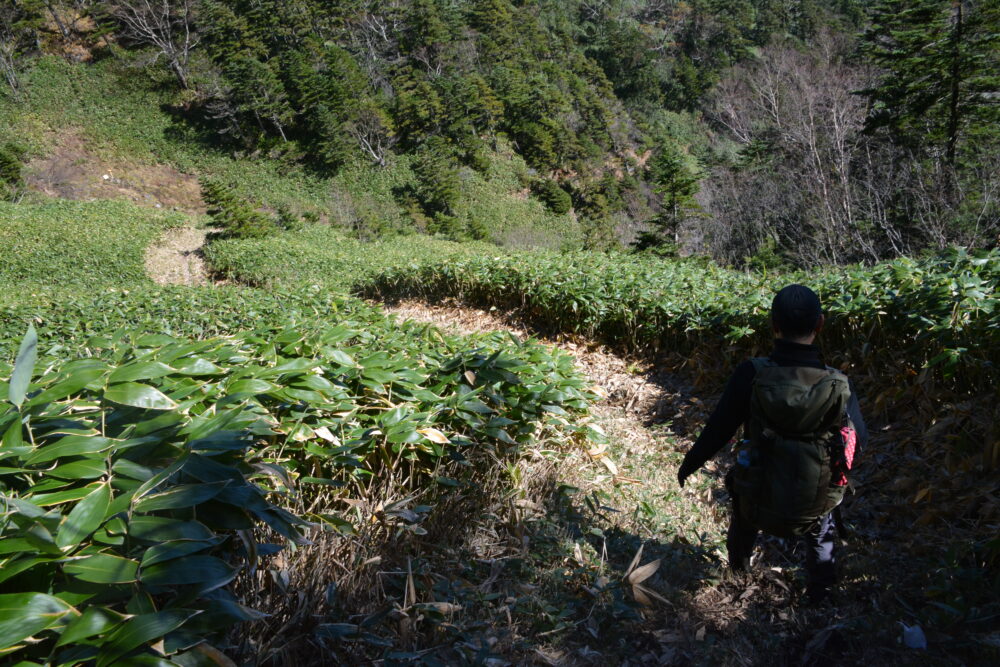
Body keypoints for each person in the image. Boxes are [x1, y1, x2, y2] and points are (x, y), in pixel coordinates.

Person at [676, 284, 868, 603]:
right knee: (823, 528)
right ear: (819, 324)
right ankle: (821, 595)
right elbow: (858, 444)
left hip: (757, 494)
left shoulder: (752, 372)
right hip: (813, 497)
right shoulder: (838, 383)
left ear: (773, 325)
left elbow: (720, 428)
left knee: (742, 506)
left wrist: (691, 463)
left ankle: (738, 573)